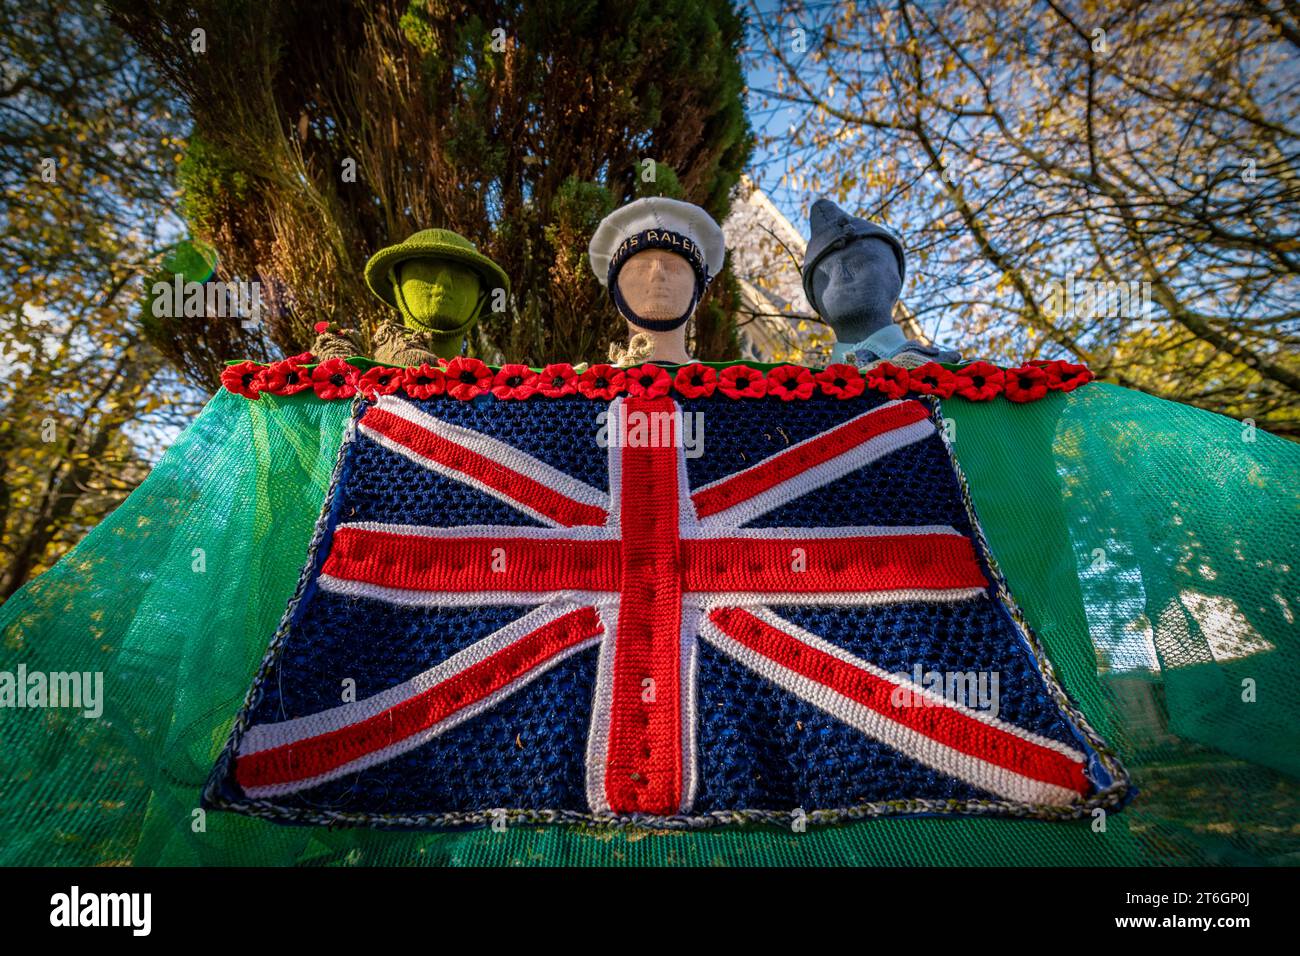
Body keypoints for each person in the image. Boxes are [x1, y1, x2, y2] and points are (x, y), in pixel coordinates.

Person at [801, 197, 960, 366]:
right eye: (828, 272)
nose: (844, 272)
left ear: (896, 278)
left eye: (862, 261)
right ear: (815, 301)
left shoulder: (973, 379)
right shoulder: (787, 387)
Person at [588, 196, 726, 365]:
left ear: (696, 290)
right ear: (616, 290)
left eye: (674, 267)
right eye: (641, 267)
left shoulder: (746, 388)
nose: (658, 274)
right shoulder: (577, 388)